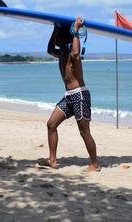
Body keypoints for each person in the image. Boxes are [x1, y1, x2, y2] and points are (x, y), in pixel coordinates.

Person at [38, 17, 100, 172]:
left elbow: (77, 52)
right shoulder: (61, 54)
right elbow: (49, 49)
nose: (56, 40)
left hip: (80, 96)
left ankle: (95, 164)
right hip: (69, 96)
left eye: (59, 37)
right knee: (51, 124)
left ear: (65, 38)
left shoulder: (73, 55)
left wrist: (76, 29)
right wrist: (55, 29)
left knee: (84, 131)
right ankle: (52, 160)